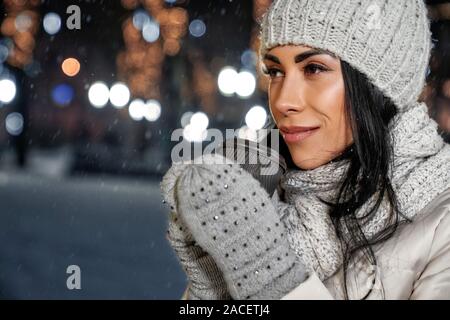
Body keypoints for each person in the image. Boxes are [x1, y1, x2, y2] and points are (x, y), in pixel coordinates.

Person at [161, 0, 450, 300]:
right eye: (274, 71)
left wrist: (276, 280)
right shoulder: (264, 197)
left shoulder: (442, 228)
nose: (284, 100)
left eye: (314, 68)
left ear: (379, 87)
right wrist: (211, 286)